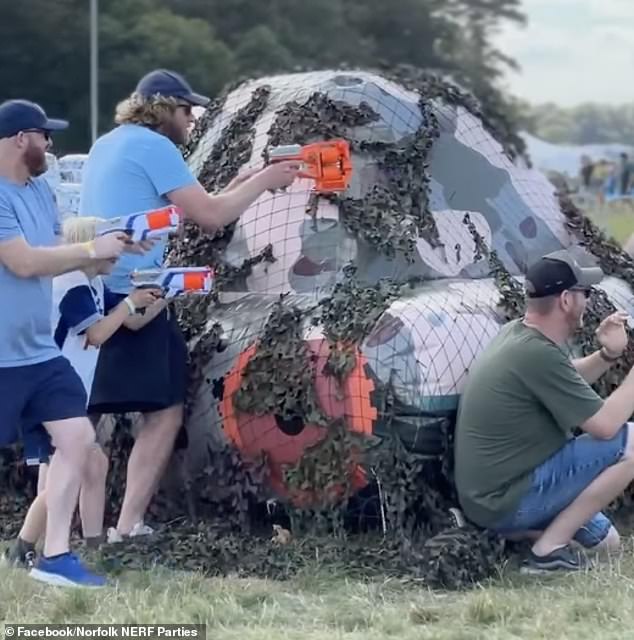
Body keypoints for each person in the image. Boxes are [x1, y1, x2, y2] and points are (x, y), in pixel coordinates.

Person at [79, 69, 301, 541]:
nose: (192, 120)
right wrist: (265, 180)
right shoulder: (157, 147)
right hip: (137, 293)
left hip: (100, 289)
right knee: (162, 413)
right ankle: (125, 526)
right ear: (166, 110)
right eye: (187, 110)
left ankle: (72, 528)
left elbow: (176, 213)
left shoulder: (110, 143)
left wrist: (244, 179)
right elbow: (210, 217)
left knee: (85, 416)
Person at [0, 99, 146, 587]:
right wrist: (91, 249)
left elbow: (56, 243)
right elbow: (23, 262)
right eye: (44, 135)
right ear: (22, 139)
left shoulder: (41, 192)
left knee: (80, 441)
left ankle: (55, 557)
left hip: (39, 353)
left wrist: (117, 240)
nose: (50, 144)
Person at [454, 249, 634, 574]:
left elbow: (567, 377)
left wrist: (608, 354)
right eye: (586, 293)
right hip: (507, 497)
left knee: (607, 544)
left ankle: (510, 535)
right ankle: (547, 552)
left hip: (491, 497)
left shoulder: (519, 335)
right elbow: (606, 427)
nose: (589, 301)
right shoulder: (536, 353)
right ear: (566, 300)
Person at [4, 215, 164, 568]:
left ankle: (63, 548)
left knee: (85, 467)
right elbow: (97, 334)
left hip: (60, 393)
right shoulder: (74, 284)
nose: (119, 254)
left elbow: (131, 320)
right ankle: (28, 549)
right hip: (50, 393)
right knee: (70, 472)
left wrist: (168, 290)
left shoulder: (90, 283)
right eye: (114, 245)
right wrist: (128, 303)